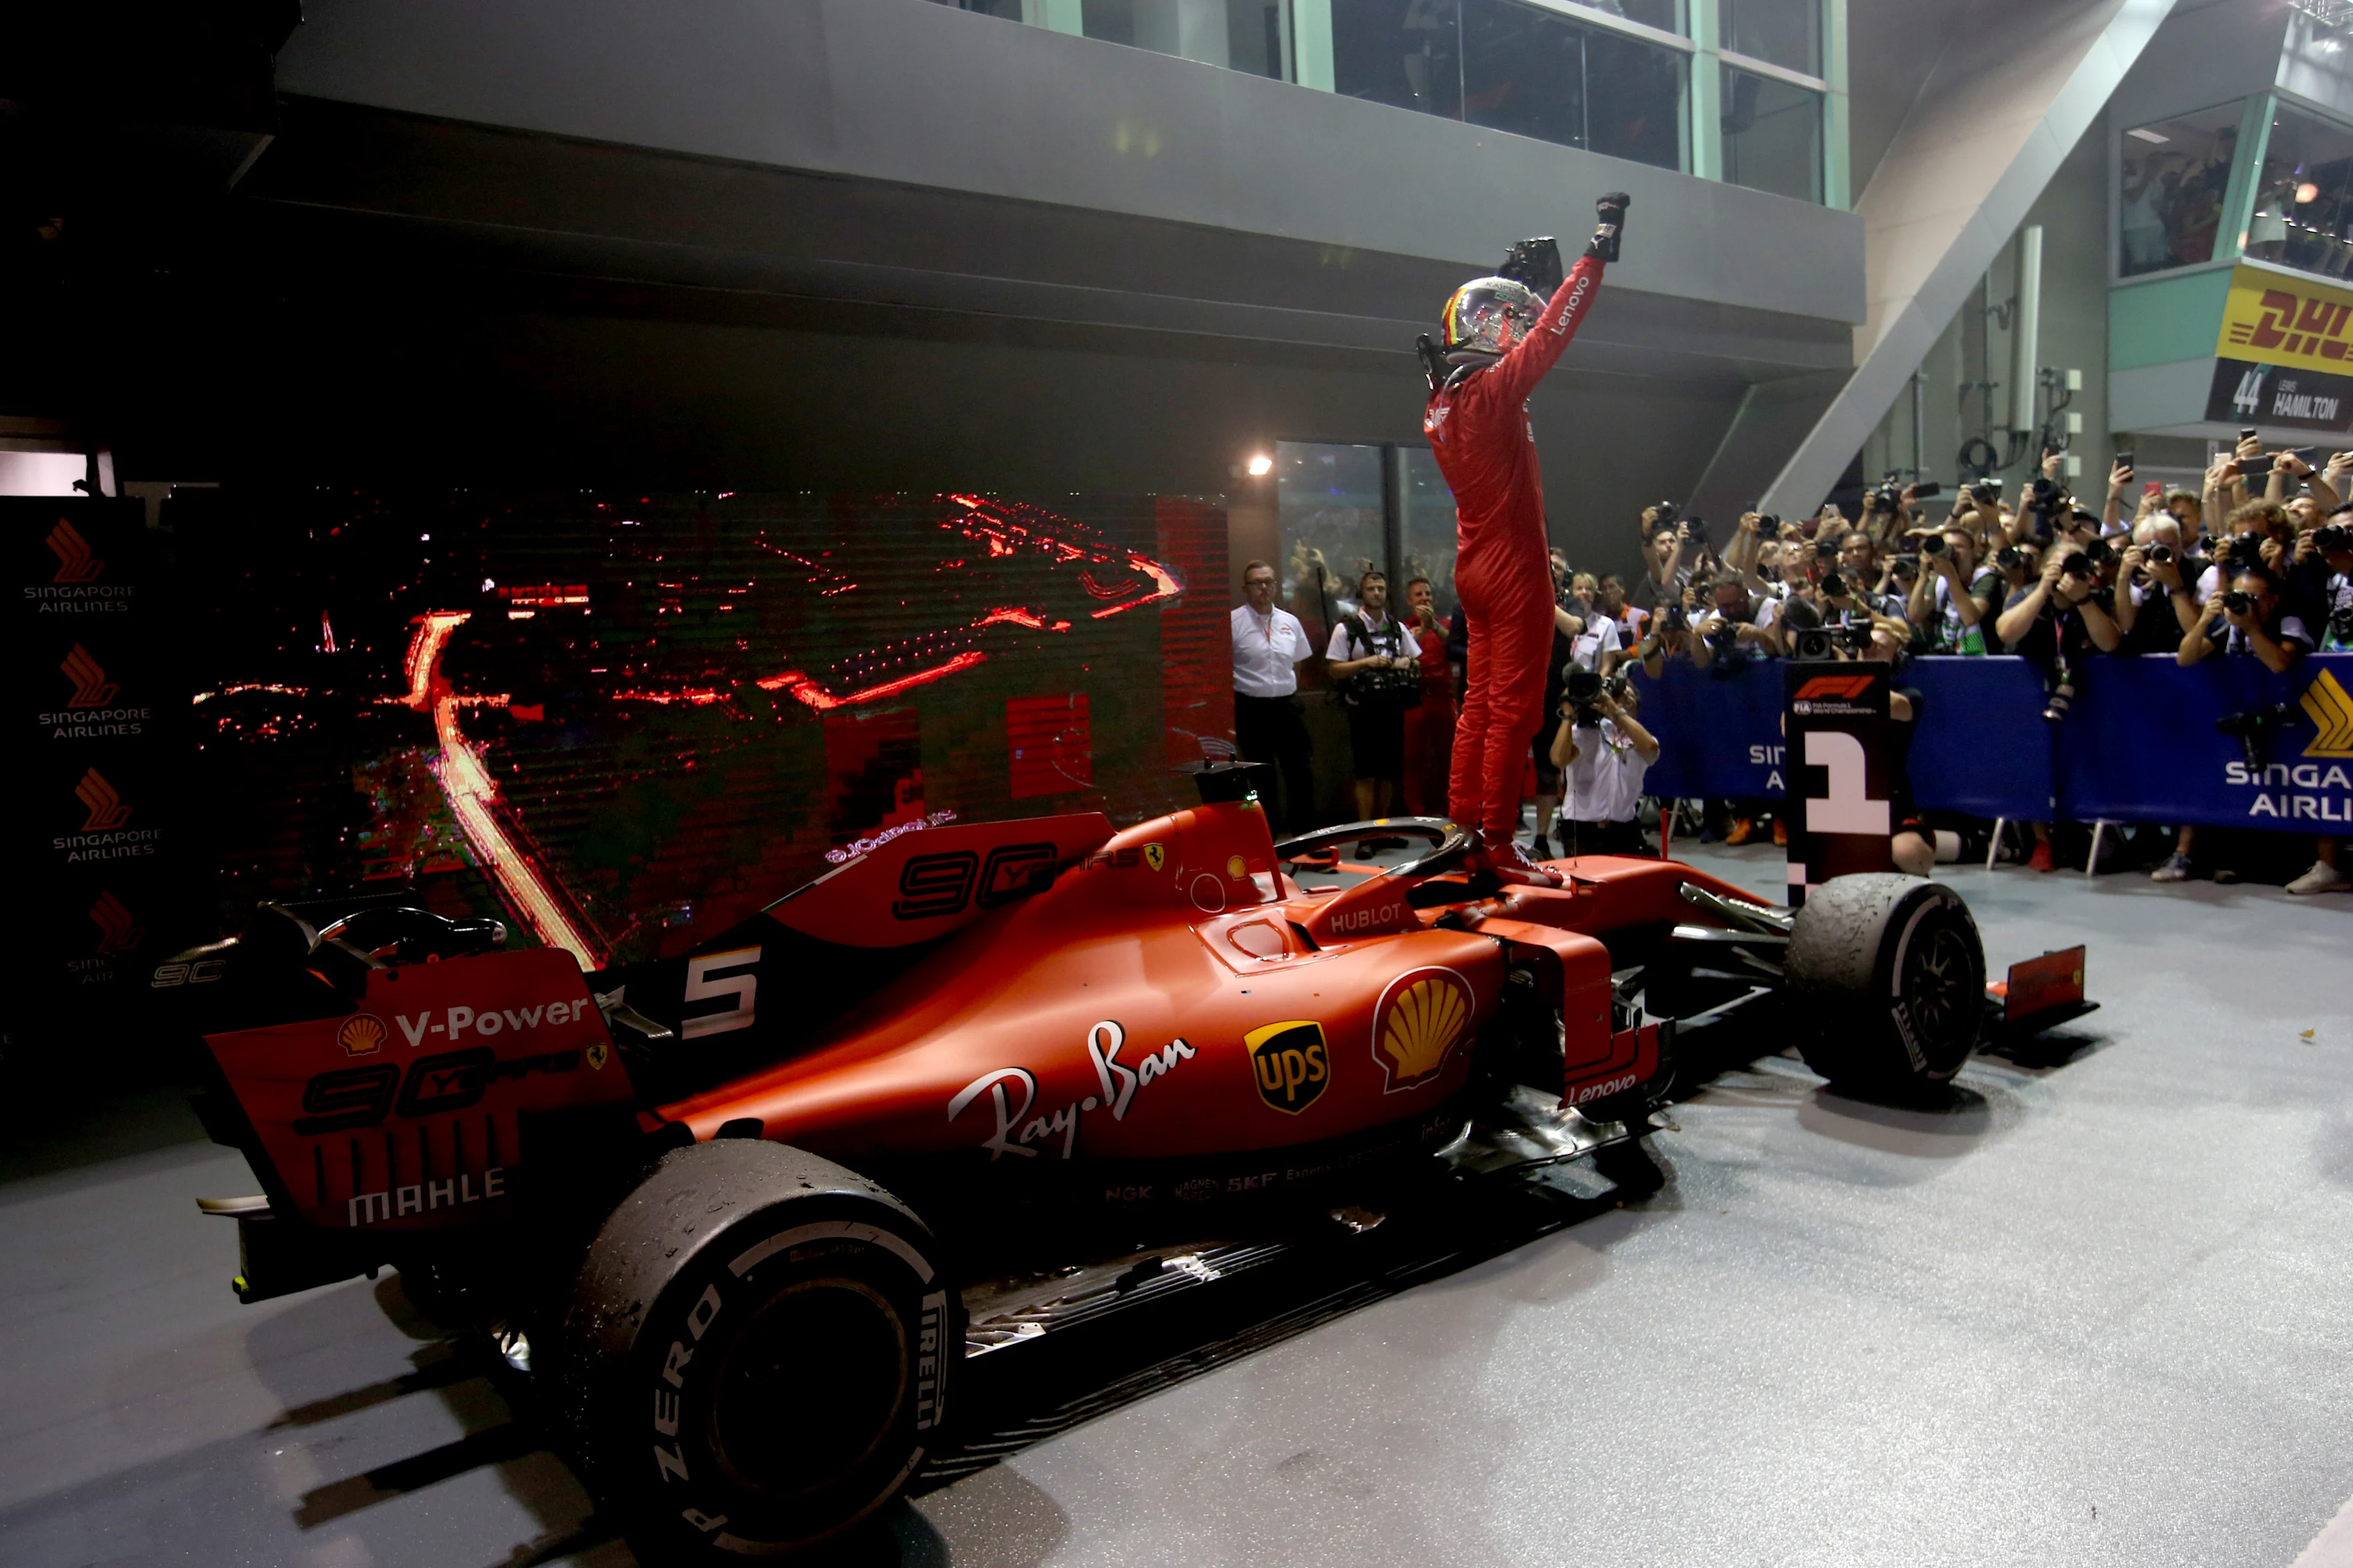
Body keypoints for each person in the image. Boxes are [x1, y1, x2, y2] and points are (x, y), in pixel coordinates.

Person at [1422, 192, 1627, 885]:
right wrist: (1594, 254)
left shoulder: (1442, 403)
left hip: (1473, 569)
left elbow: (1489, 328)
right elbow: (1552, 333)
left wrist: (1508, 282)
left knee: (1477, 708)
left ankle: (1462, 829)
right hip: (1514, 571)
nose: (1512, 328)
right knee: (1514, 712)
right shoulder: (1493, 395)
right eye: (1503, 319)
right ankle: (1500, 843)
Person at [1325, 569, 1424, 850]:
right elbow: (1334, 669)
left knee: (1389, 774)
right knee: (1366, 774)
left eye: (1381, 588)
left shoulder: (1397, 627)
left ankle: (1384, 831)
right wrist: (1366, 663)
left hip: (1392, 706)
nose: (1377, 593)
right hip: (1362, 710)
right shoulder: (1347, 629)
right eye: (1371, 589)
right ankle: (1365, 836)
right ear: (1362, 593)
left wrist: (1405, 663)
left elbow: (1416, 659)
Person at [1229, 559, 1317, 835]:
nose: (1264, 588)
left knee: (1299, 773)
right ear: (1246, 588)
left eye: (1268, 582)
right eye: (1257, 583)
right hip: (1251, 708)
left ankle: (1305, 838)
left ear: (1276, 586)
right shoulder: (1233, 622)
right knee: (1260, 778)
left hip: (1286, 706)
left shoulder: (1290, 622)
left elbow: (1297, 663)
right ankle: (1268, 840)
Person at [1547, 676, 1659, 856]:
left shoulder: (1641, 741)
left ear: (1637, 706)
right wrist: (1568, 714)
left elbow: (1651, 749)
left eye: (1628, 698)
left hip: (1624, 830)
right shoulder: (1584, 733)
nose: (1621, 701)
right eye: (1617, 697)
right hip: (1582, 830)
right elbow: (1558, 759)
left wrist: (1616, 711)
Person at [1400, 576, 1455, 818]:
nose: (1425, 599)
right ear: (1409, 600)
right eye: (1419, 595)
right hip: (1415, 697)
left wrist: (1433, 626)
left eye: (1428, 594)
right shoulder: (1403, 628)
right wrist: (1422, 630)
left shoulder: (1445, 625)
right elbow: (1405, 653)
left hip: (1442, 696)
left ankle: (1450, 806)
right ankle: (1415, 810)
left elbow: (1454, 646)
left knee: (1450, 755)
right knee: (1412, 757)